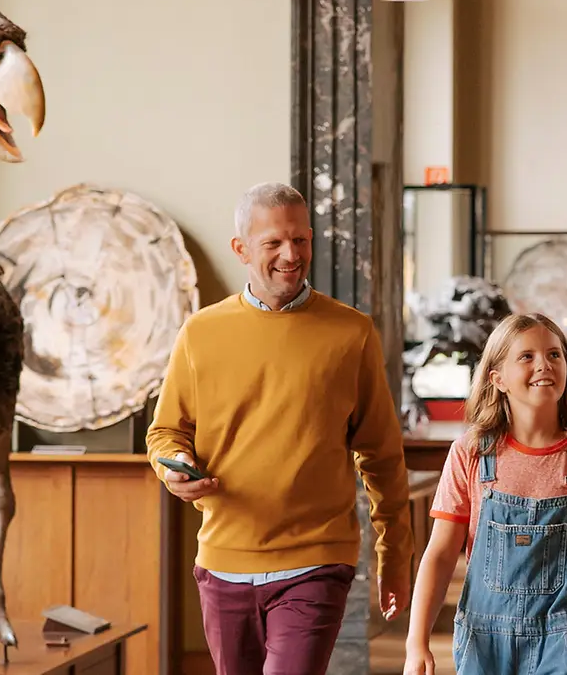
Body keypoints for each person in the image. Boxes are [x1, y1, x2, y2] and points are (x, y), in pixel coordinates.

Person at [146, 181, 412, 675]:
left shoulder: (352, 333)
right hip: (223, 559)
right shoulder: (200, 333)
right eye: (274, 243)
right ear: (241, 248)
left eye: (301, 240)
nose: (291, 255)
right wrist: (175, 470)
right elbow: (166, 433)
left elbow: (382, 455)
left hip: (317, 559)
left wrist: (394, 557)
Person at [402, 313, 567, 675]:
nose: (544, 364)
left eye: (555, 354)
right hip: (483, 645)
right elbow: (440, 553)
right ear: (497, 378)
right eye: (526, 356)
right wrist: (415, 642)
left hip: (565, 644)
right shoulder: (471, 454)